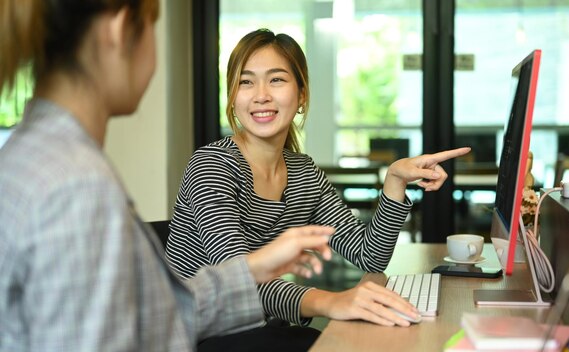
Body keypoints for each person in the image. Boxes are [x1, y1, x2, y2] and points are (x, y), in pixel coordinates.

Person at [0, 2, 335, 351]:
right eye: (151, 30)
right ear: (120, 30)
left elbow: (149, 319)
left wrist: (251, 269)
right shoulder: (76, 187)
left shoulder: (31, 158)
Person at [165, 28, 471, 329]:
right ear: (232, 97)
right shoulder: (211, 166)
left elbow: (369, 256)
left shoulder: (303, 174)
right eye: (246, 82)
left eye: (276, 80)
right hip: (195, 334)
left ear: (301, 95)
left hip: (255, 329)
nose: (261, 95)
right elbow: (240, 279)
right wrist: (332, 302)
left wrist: (394, 181)